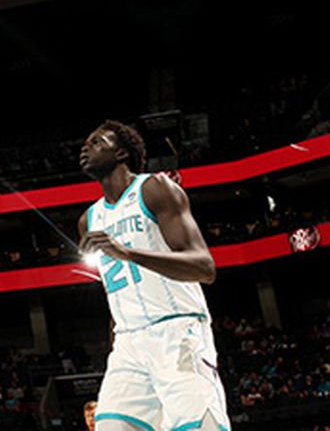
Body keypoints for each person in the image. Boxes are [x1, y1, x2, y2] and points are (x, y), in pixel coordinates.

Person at [78, 121, 228, 431]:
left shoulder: (155, 189)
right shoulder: (88, 220)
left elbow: (204, 267)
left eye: (97, 142)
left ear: (121, 153)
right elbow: (117, 295)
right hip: (128, 342)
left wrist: (130, 253)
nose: (85, 148)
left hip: (178, 329)